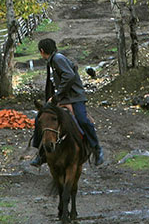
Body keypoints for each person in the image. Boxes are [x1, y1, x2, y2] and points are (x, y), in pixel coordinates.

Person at [28, 38, 105, 167]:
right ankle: (41, 154)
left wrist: (57, 96)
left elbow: (69, 76)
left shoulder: (58, 59)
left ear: (42, 51)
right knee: (40, 118)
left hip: (74, 97)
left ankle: (96, 149)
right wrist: (51, 99)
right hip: (62, 97)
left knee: (82, 119)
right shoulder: (51, 61)